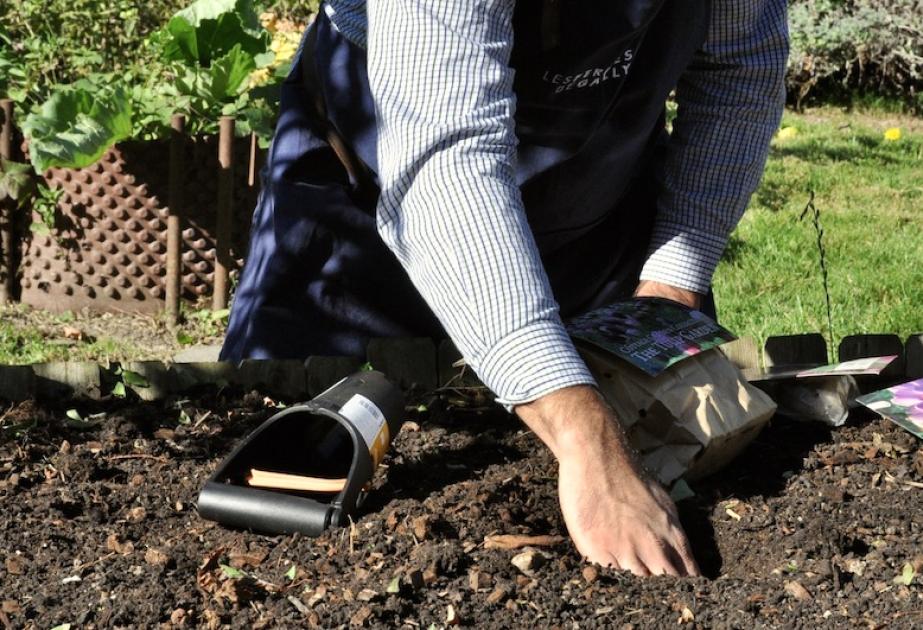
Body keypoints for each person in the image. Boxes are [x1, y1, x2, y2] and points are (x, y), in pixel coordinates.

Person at [222, 0, 788, 576]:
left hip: (601, 192)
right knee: (280, 473)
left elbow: (738, 67)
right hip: (365, 196)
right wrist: (587, 439)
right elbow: (445, 155)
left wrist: (671, 289)